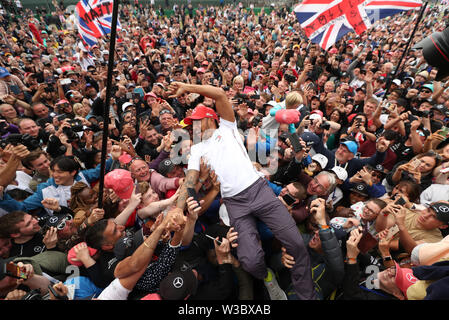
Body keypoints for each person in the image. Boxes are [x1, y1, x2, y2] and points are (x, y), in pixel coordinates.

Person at [167, 82, 316, 300]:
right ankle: (267, 277)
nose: (192, 127)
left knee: (295, 243)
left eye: (195, 122)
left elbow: (219, 93)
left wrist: (187, 87)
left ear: (210, 118)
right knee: (250, 261)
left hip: (259, 192)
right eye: (190, 125)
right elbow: (189, 182)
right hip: (235, 204)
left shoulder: (227, 128)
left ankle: (307, 297)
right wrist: (178, 210)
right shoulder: (197, 149)